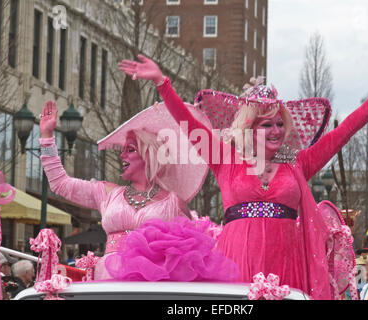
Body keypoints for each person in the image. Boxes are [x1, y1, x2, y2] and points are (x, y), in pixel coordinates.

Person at [118, 54, 368, 300]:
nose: (275, 131)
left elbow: (342, 134)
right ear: (249, 128)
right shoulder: (225, 160)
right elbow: (187, 123)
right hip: (234, 263)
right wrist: (162, 82)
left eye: (279, 124)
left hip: (287, 265)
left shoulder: (299, 163)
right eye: (266, 125)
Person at [38, 100, 237, 282]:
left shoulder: (173, 202)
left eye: (130, 149)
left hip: (151, 285)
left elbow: (190, 254)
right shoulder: (108, 193)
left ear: (149, 155)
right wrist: (47, 137)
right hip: (109, 279)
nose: (122, 155)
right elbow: (59, 184)